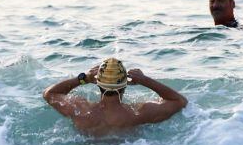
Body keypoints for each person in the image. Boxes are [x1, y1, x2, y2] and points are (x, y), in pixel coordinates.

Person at [42, 57, 187, 136]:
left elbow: (49, 93)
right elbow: (179, 101)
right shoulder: (138, 114)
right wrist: (145, 80)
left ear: (97, 83)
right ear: (125, 84)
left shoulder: (80, 110)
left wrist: (83, 78)